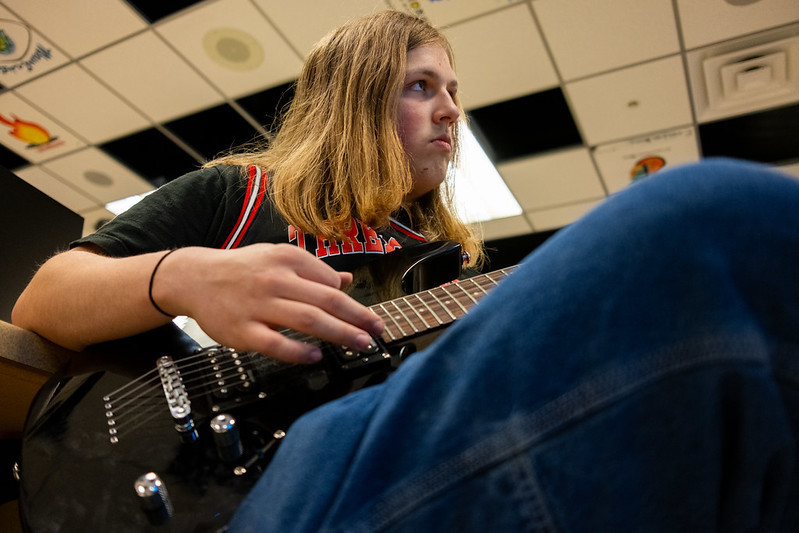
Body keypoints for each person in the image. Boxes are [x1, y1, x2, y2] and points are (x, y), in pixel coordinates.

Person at [12, 10, 799, 533]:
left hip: (397, 465)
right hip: (228, 478)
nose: (452, 111)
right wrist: (181, 275)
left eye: (453, 91)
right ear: (352, 102)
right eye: (421, 87)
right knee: (710, 212)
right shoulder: (239, 191)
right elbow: (44, 301)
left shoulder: (448, 262)